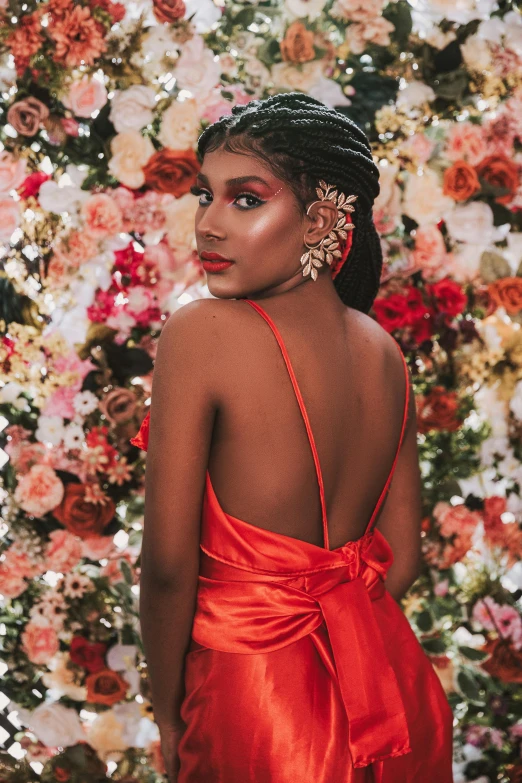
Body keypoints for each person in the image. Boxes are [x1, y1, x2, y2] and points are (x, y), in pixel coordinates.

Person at [130, 92, 454, 782]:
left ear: (323, 218)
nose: (209, 225)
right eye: (204, 196)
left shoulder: (202, 334)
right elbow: (403, 560)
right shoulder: (383, 352)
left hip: (258, 704)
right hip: (389, 688)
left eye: (245, 199)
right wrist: (339, 638)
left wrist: (168, 712)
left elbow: (165, 564)